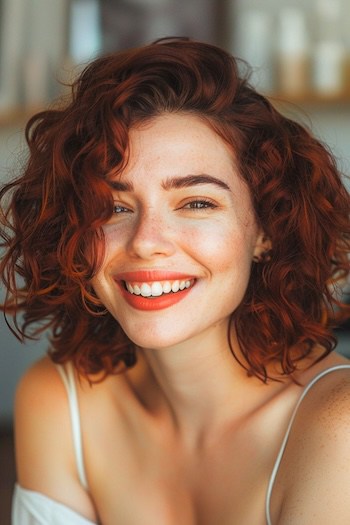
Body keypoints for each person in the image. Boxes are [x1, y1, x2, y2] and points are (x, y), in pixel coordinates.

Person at [1, 37, 350, 525]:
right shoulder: (61, 400)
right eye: (113, 207)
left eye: (197, 203)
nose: (146, 241)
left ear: (265, 230)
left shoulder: (337, 426)